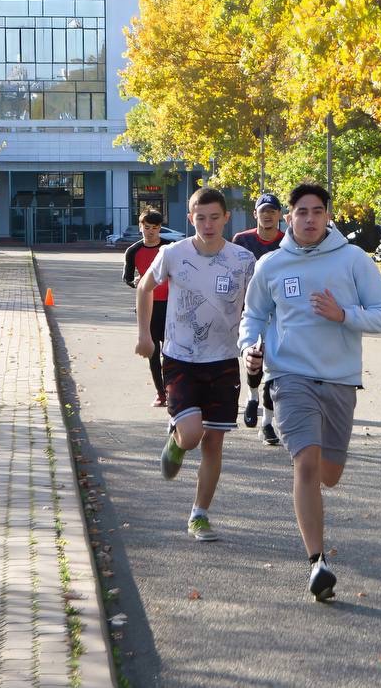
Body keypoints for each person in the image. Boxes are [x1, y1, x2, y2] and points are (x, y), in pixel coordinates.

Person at [239, 183, 381, 601]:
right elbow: (254, 315)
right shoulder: (271, 265)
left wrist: (343, 314)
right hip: (289, 375)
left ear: (328, 216)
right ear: (289, 218)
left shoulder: (353, 260)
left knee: (330, 473)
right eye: (301, 212)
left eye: (317, 212)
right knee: (305, 463)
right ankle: (317, 562)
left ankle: (317, 543)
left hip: (340, 379)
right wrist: (251, 348)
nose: (309, 219)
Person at [133, 188, 256, 542]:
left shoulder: (243, 260)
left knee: (213, 442)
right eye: (200, 218)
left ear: (226, 218)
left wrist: (257, 344)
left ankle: (199, 514)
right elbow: (144, 288)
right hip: (180, 357)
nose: (208, 224)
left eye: (214, 217)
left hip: (223, 360)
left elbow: (257, 306)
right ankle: (175, 442)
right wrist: (145, 335)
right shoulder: (173, 254)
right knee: (191, 435)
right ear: (190, 219)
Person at [233, 193, 286, 445]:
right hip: (250, 312)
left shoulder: (288, 243)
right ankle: (252, 396)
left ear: (279, 215)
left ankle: (267, 423)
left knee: (272, 366)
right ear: (255, 214)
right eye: (263, 210)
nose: (267, 215)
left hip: (277, 314)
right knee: (254, 360)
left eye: (272, 211)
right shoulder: (242, 241)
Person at [123, 209, 174, 407]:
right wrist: (135, 281)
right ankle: (160, 393)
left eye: (155, 228)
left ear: (160, 228)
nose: (151, 232)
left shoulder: (170, 248)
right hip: (148, 306)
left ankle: (173, 389)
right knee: (153, 351)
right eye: (147, 227)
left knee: (172, 351)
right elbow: (127, 278)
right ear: (140, 227)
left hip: (171, 305)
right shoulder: (134, 251)